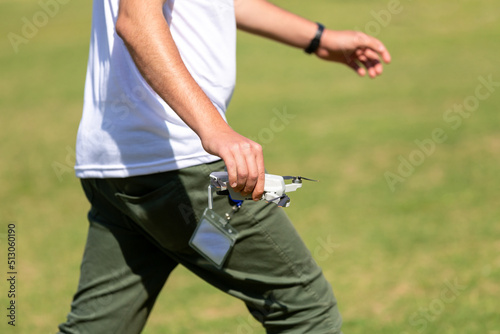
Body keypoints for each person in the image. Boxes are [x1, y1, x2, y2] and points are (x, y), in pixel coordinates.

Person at [58, 0, 391, 333]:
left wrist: (319, 38)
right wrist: (212, 128)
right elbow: (137, 22)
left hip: (114, 167)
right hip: (181, 166)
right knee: (307, 310)